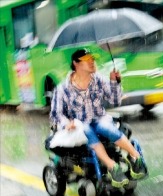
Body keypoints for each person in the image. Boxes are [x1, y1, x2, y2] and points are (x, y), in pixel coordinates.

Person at [50, 48, 146, 187]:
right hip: (78, 125)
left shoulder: (98, 79)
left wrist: (115, 82)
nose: (92, 62)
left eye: (92, 59)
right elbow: (56, 113)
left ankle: (135, 157)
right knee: (87, 130)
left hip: (99, 118)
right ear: (76, 64)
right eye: (87, 60)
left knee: (106, 127)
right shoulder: (63, 88)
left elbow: (115, 100)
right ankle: (112, 166)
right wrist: (66, 123)